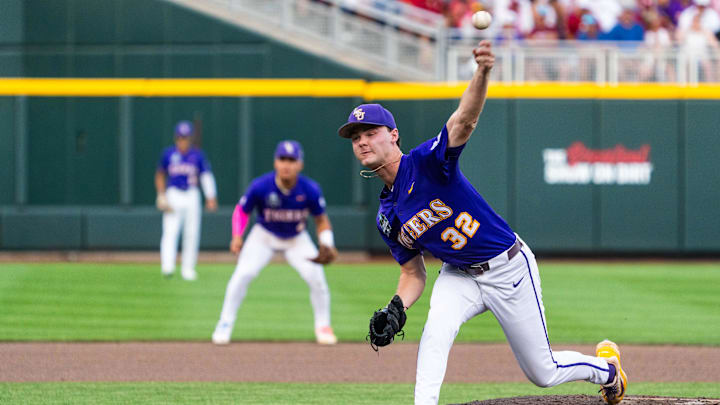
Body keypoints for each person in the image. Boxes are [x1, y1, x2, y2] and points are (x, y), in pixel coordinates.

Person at [337, 41, 627, 405]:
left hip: (507, 268)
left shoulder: (427, 161)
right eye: (356, 137)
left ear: (393, 135)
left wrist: (483, 72)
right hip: (459, 275)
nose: (363, 141)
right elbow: (413, 274)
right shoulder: (387, 215)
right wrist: (396, 306)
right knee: (435, 333)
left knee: (543, 372)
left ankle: (607, 371)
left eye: (371, 133)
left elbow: (464, 120)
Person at [211, 140, 339, 345]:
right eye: (282, 159)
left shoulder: (310, 189)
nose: (286, 164)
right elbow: (242, 211)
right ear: (275, 162)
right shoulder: (261, 186)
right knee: (242, 274)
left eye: (292, 160)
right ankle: (224, 324)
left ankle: (323, 326)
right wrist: (237, 235)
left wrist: (327, 242)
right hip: (264, 236)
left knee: (317, 278)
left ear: (300, 164)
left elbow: (321, 219)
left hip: (296, 238)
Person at [155, 120, 217, 281]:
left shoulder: (197, 155)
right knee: (170, 231)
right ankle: (167, 266)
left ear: (190, 139)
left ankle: (188, 269)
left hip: (191, 194)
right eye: (180, 137)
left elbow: (205, 175)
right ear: (176, 138)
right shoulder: (168, 154)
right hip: (174, 194)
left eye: (186, 137)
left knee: (192, 233)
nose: (183, 140)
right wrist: (161, 194)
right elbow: (160, 174)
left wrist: (210, 196)